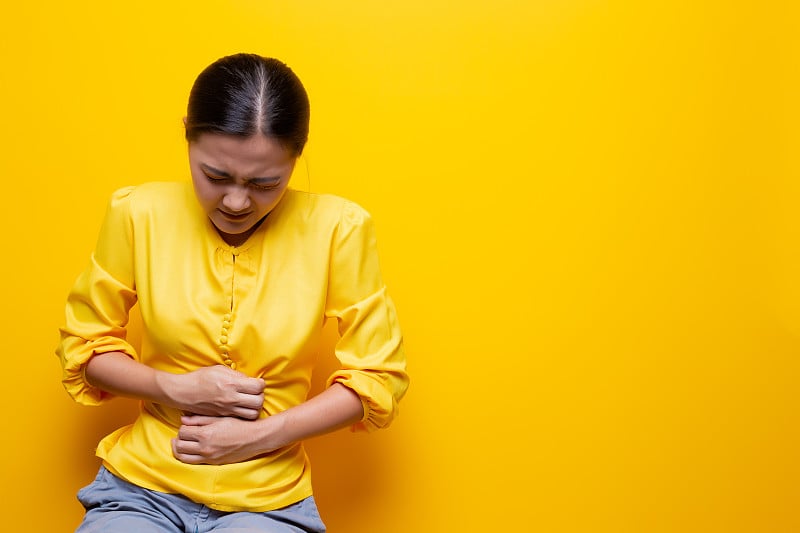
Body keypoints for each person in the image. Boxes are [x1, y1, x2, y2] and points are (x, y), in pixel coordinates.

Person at [56, 53, 409, 532]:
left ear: (296, 156)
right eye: (216, 176)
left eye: (266, 183)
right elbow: (83, 346)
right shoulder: (137, 213)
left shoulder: (338, 229)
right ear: (187, 133)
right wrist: (172, 386)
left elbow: (376, 377)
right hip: (141, 486)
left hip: (268, 498)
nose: (237, 202)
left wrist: (257, 437)